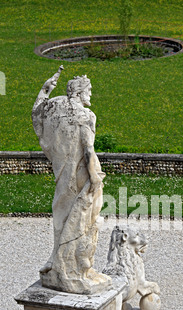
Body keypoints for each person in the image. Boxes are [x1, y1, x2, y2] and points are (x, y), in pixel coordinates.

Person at [32, 68, 111, 294]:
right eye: (88, 90)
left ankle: (58, 262)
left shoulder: (55, 107)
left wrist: (45, 90)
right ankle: (76, 269)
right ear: (78, 92)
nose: (91, 95)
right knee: (83, 219)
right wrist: (95, 177)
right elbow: (88, 149)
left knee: (62, 216)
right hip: (80, 174)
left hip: (62, 175)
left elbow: (37, 115)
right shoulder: (87, 116)